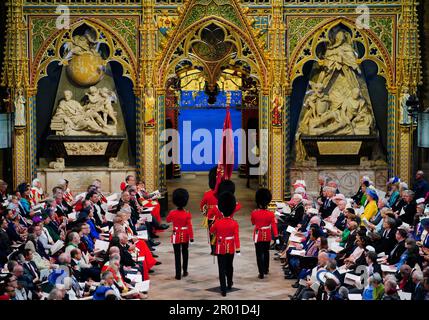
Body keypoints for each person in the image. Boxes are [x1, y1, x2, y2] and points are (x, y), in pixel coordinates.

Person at [210, 192, 240, 297]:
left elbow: (212, 231)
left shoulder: (218, 222)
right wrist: (238, 249)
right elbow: (236, 237)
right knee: (229, 266)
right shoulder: (234, 223)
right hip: (231, 246)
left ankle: (223, 289)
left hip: (220, 247)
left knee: (221, 268)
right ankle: (230, 282)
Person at [166, 188, 194, 280]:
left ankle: (178, 274)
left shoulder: (172, 212)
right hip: (185, 235)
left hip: (176, 235)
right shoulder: (187, 214)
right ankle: (185, 271)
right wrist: (191, 237)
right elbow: (190, 226)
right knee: (185, 253)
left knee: (177, 255)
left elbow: (168, 220)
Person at [251, 188, 279, 279]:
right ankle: (266, 269)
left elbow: (253, 222)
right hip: (267, 235)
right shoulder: (271, 214)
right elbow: (274, 226)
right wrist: (276, 236)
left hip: (258, 235)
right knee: (266, 252)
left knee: (259, 254)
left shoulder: (254, 213)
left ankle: (261, 272)